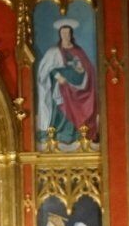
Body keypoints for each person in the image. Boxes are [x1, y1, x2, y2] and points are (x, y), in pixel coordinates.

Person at [36, 18, 98, 147]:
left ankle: (75, 133)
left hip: (76, 86)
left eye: (68, 33)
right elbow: (45, 70)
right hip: (60, 86)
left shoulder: (78, 51)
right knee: (61, 109)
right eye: (63, 33)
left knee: (76, 107)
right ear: (60, 34)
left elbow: (88, 69)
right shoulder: (54, 51)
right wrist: (58, 75)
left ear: (71, 34)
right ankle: (60, 132)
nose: (66, 35)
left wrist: (81, 70)